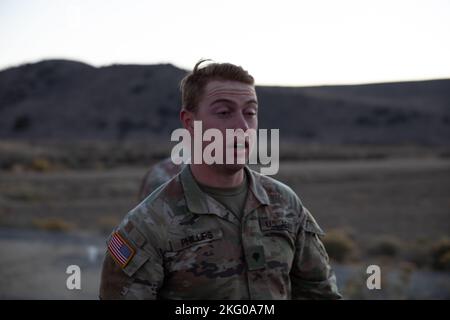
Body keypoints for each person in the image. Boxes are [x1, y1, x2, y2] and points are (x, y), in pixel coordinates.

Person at [99, 60, 342, 299]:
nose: (242, 126)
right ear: (189, 123)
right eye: (224, 113)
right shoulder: (148, 225)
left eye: (250, 112)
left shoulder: (285, 203)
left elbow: (319, 294)